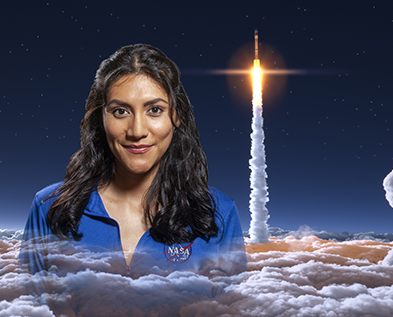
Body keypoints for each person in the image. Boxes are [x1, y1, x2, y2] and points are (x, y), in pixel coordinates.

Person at [19, 44, 247, 288]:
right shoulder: (49, 208)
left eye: (155, 110)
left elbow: (232, 316)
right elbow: (29, 314)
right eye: (120, 111)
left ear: (177, 115)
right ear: (101, 118)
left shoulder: (219, 214)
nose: (137, 131)